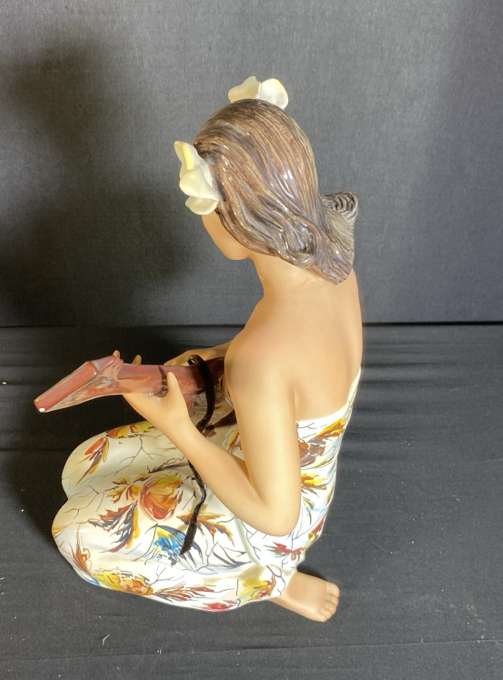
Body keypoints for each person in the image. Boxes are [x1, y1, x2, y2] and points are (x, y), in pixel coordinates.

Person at [51, 76, 363, 622]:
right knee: (82, 469)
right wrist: (217, 359)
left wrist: (179, 428)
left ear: (235, 217)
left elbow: (275, 513)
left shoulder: (263, 357)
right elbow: (301, 360)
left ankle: (267, 581)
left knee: (73, 533)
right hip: (264, 436)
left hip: (271, 523)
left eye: (201, 205)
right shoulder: (333, 256)